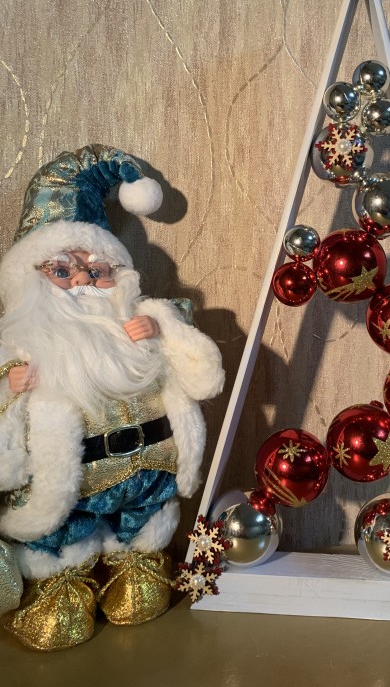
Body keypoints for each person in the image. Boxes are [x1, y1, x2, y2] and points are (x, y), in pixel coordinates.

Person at [0, 146, 225, 651]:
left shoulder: (140, 320)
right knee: (65, 538)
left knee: (145, 530)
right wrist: (8, 387)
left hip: (148, 474)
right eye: (63, 272)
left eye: (97, 272)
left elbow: (201, 375)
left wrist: (164, 329)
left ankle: (139, 562)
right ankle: (61, 583)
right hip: (72, 487)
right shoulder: (21, 346)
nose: (83, 280)